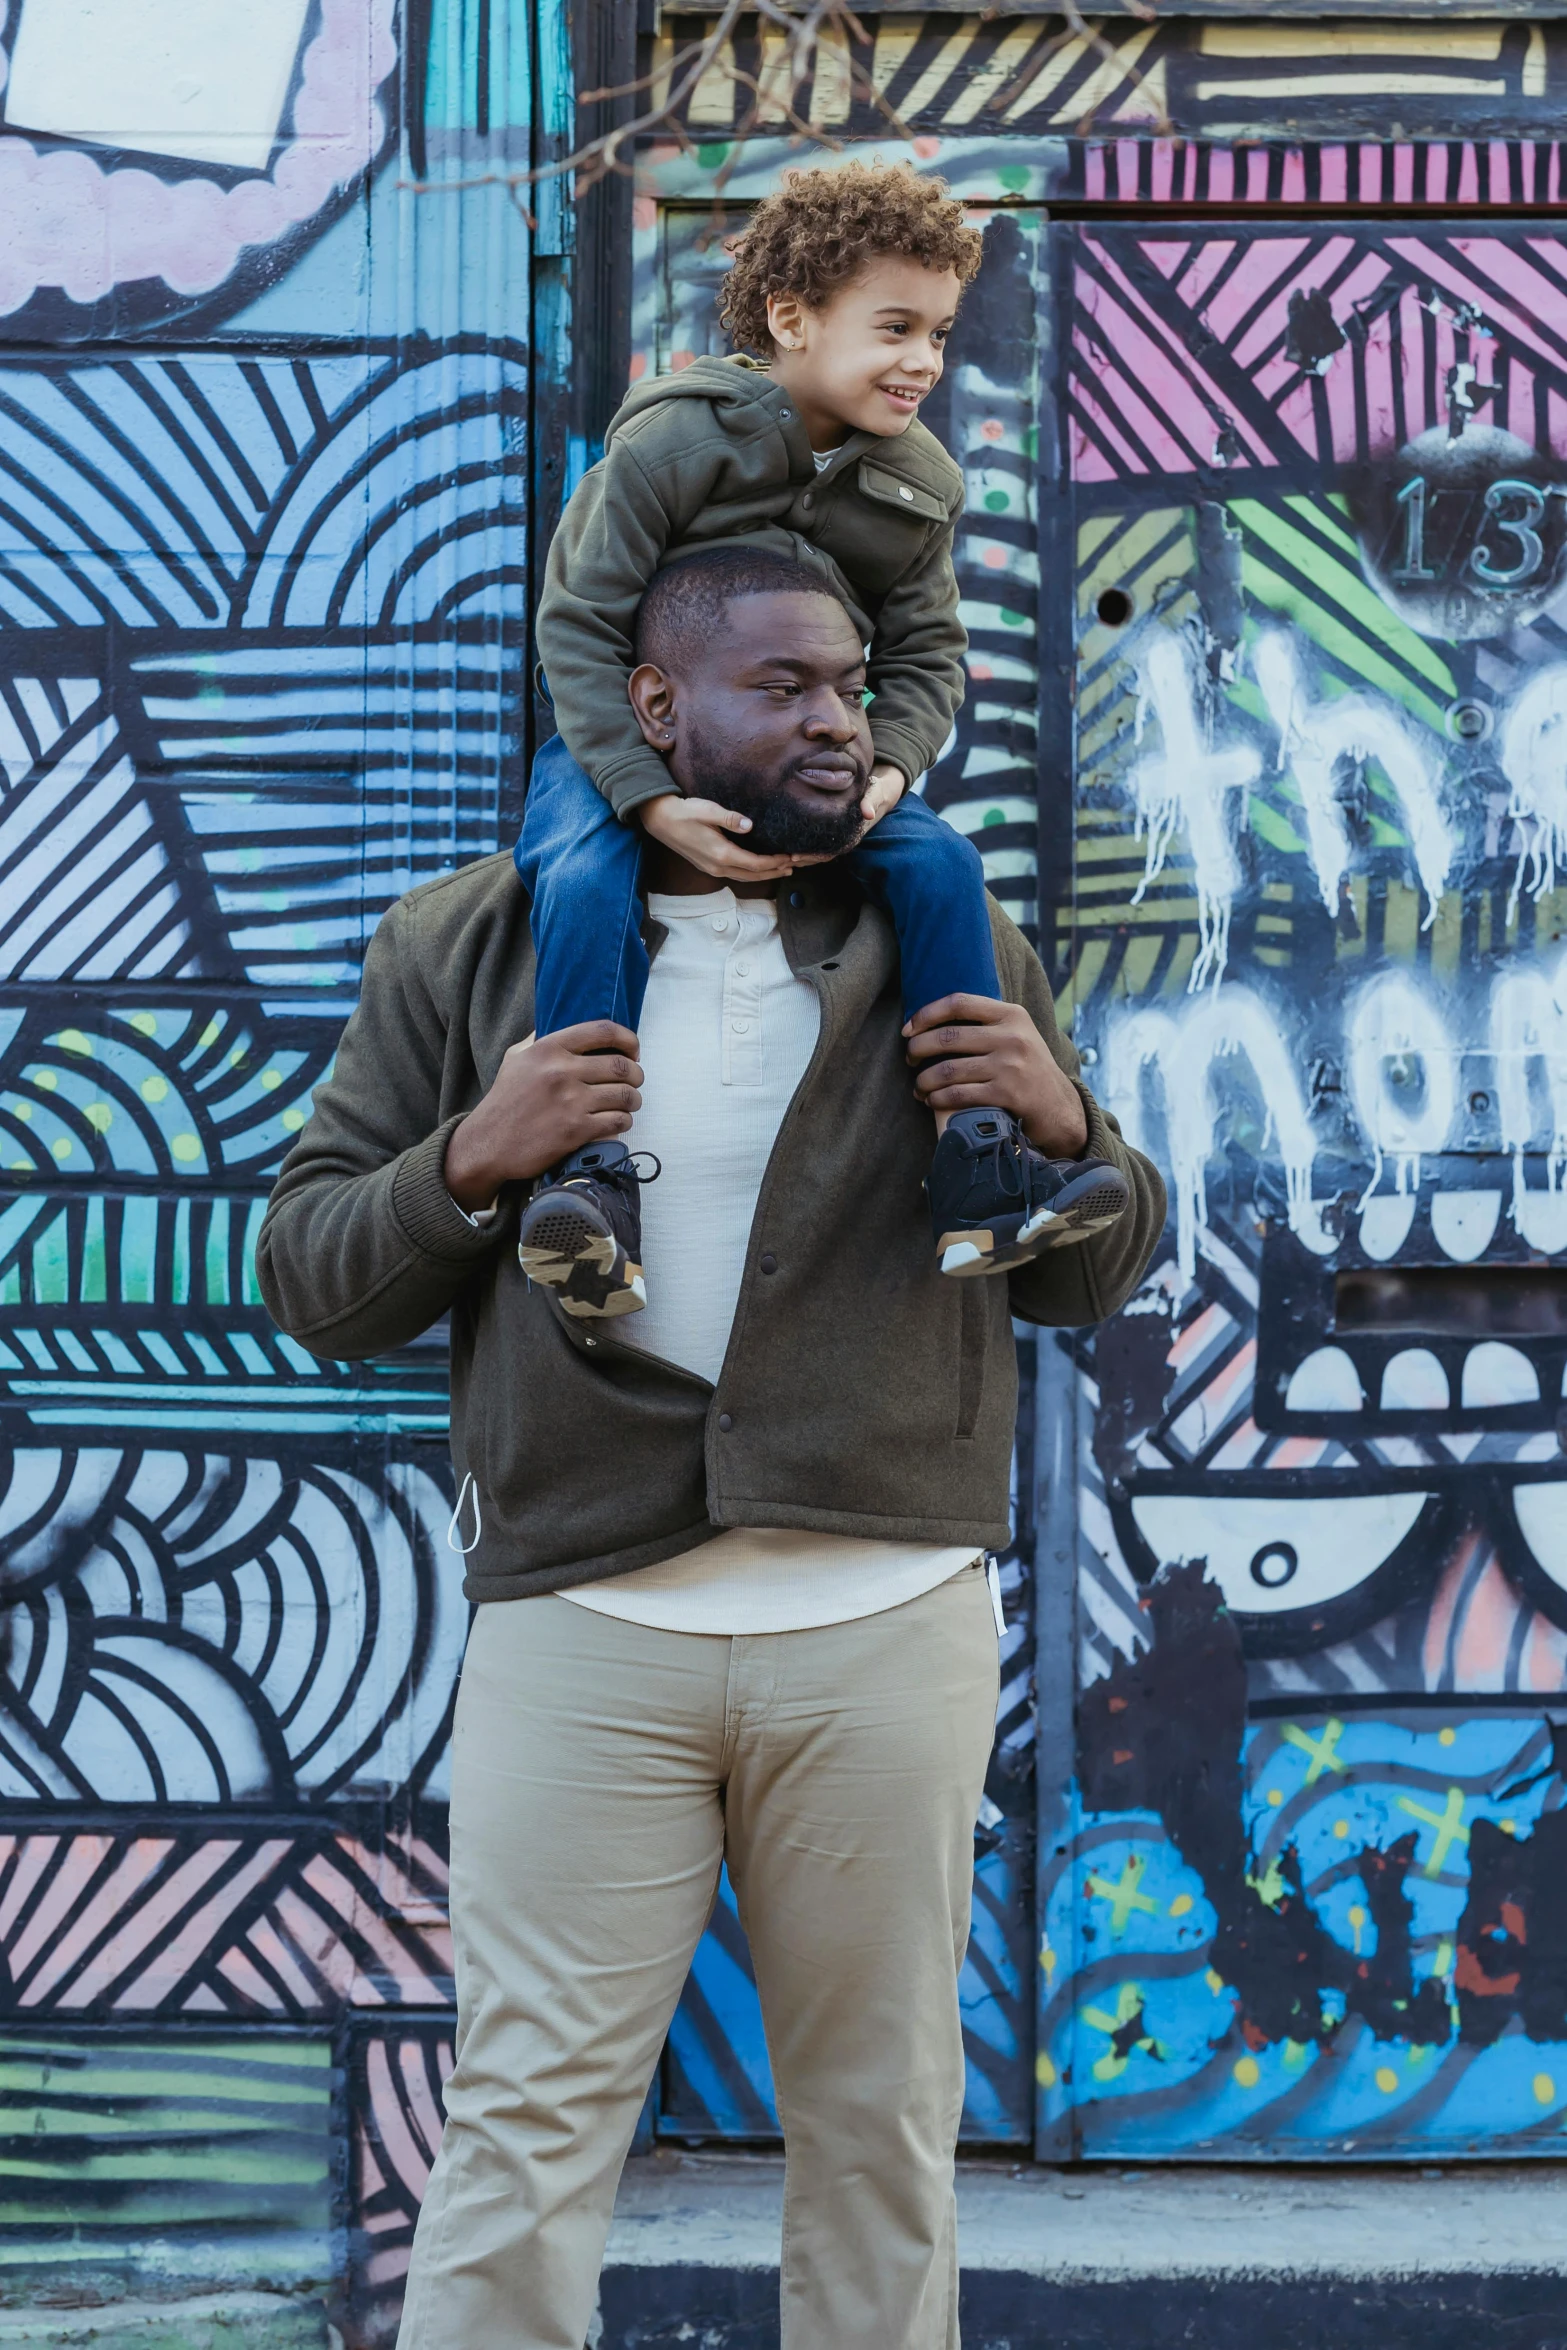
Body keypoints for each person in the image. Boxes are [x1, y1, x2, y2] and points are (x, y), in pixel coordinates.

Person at [257, 553, 1164, 2349]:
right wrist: (473, 1155)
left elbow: (1098, 1275)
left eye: (846, 684)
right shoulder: (478, 939)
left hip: (884, 1614)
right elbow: (313, 1277)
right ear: (656, 710)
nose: (836, 720)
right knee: (524, 2131)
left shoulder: (948, 934)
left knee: (880, 2132)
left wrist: (1072, 1132)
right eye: (785, 688)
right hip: (584, 1619)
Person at [515, 160, 1129, 1318]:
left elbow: (928, 654)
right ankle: (584, 1185)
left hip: (823, 763)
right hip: (628, 754)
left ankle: (980, 1160)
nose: (923, 362)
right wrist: (643, 799)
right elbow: (578, 623)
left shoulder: (918, 485)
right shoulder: (670, 448)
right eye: (893, 327)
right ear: (792, 320)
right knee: (582, 877)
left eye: (939, 333)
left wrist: (888, 768)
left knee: (940, 865)